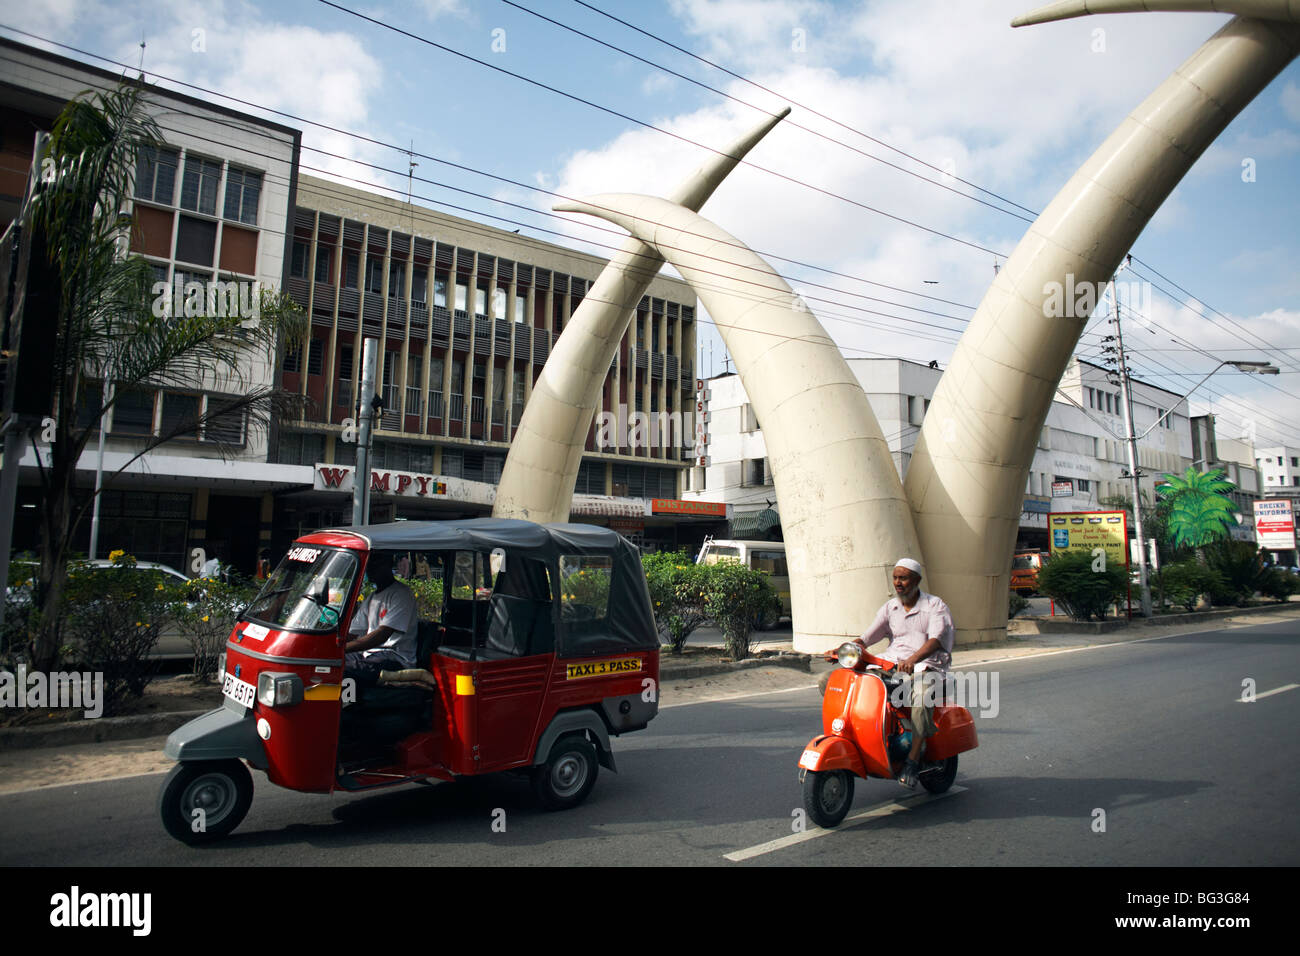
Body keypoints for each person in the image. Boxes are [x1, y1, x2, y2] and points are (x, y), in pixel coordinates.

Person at [854, 557, 955, 790]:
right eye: (896, 578)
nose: (898, 583)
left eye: (904, 578)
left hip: (927, 668)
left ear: (917, 580)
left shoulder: (935, 606)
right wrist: (848, 648)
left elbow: (936, 640)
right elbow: (868, 637)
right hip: (893, 667)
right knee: (841, 683)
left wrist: (912, 660)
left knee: (920, 700)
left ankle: (912, 760)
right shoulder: (891, 607)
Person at [344, 551, 420, 687]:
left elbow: (381, 635)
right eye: (369, 564)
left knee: (347, 669)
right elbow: (354, 632)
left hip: (394, 657)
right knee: (331, 663)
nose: (371, 568)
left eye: (376, 563)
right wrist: (332, 647)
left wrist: (345, 648)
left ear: (389, 564)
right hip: (370, 654)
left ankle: (349, 705)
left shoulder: (401, 594)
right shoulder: (372, 597)